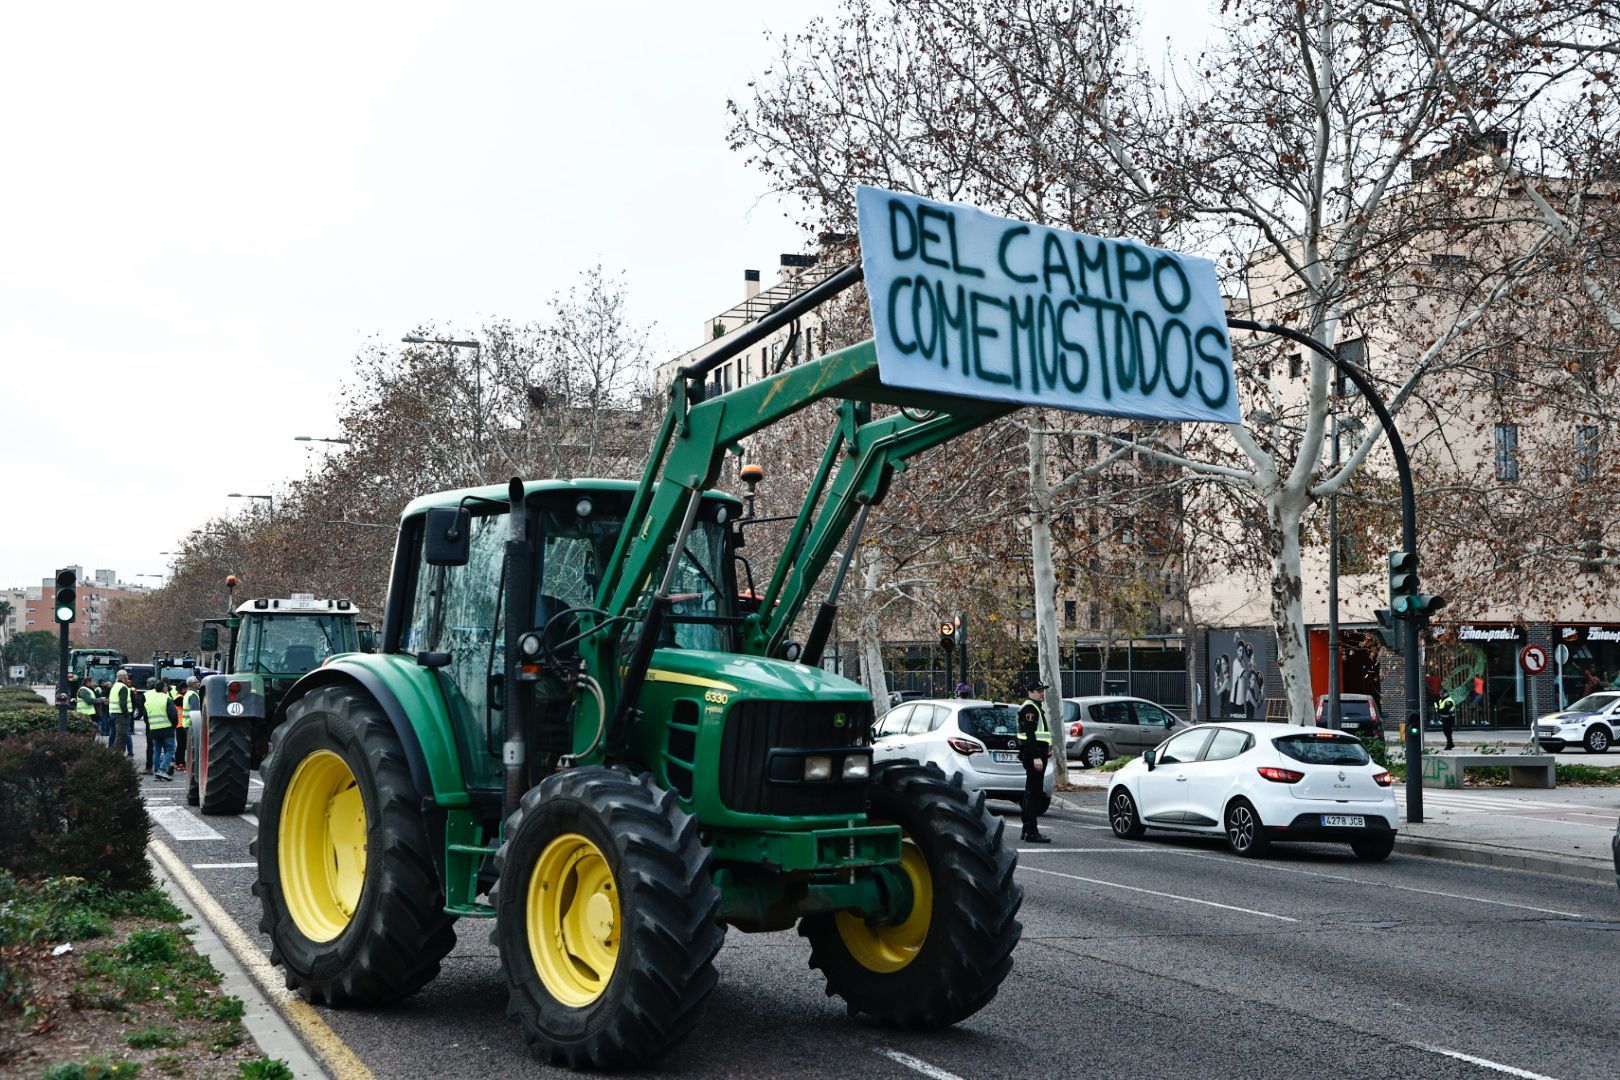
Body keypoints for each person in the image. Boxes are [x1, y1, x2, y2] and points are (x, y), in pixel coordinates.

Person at [1016, 681, 1053, 844]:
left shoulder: (1034, 707)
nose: (1042, 693)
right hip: (1033, 756)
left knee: (1030, 793)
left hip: (1035, 754)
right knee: (1034, 794)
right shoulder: (1030, 708)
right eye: (1038, 691)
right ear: (1030, 692)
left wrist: (1047, 748)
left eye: (1042, 691)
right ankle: (1031, 831)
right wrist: (1037, 756)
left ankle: (1027, 830)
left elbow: (1038, 734)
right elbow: (1030, 734)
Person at [141, 677, 178, 780]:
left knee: (156, 750)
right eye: (166, 687)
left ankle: (157, 772)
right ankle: (161, 770)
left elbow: (145, 716)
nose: (167, 688)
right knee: (170, 750)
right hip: (166, 728)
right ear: (163, 688)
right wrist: (173, 726)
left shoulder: (149, 701)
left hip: (154, 729)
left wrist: (151, 725)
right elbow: (174, 715)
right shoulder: (166, 699)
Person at [108, 671, 136, 757]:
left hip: (113, 714)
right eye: (127, 676)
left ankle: (111, 753)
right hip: (121, 716)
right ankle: (117, 757)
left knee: (115, 735)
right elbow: (123, 704)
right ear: (124, 677)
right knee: (121, 737)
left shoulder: (114, 686)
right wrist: (126, 714)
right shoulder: (123, 687)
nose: (128, 678)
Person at [177, 677, 202, 773]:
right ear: (193, 684)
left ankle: (192, 766)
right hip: (192, 724)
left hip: (187, 723)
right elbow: (195, 712)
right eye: (197, 682)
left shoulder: (188, 694)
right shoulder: (193, 695)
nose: (198, 683)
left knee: (191, 746)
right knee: (194, 747)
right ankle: (194, 768)